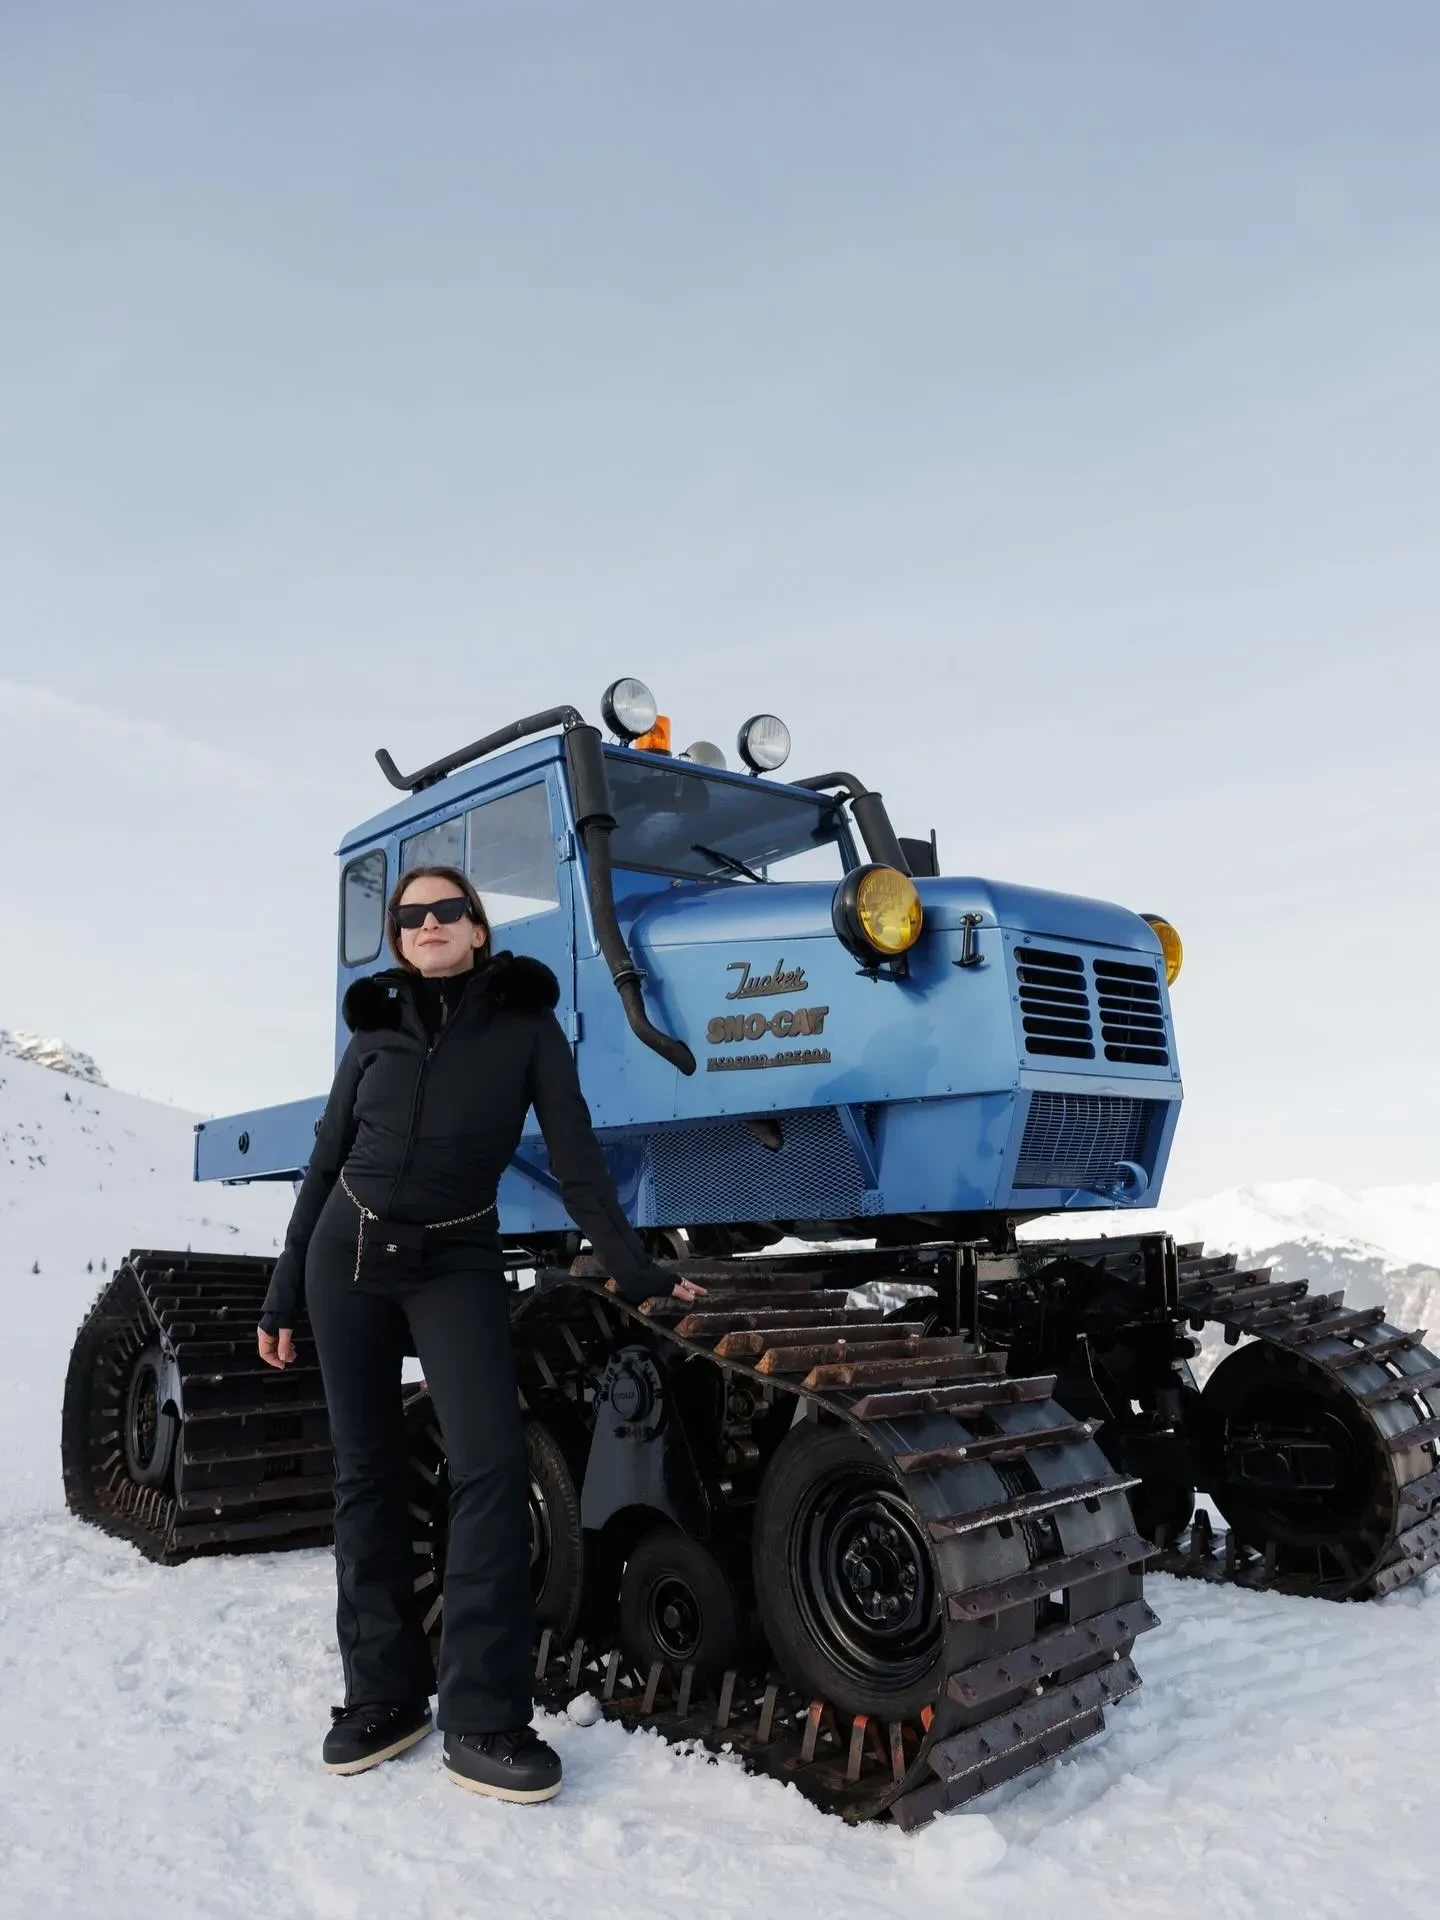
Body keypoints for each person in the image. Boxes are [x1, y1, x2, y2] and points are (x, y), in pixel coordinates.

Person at [256, 863, 704, 1803]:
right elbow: (325, 1162)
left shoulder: (526, 1025)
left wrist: (637, 1269)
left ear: (477, 928)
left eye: (446, 909)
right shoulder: (374, 1030)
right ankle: (381, 1696)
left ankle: (483, 1716)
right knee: (365, 1473)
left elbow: (577, 1159)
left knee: (491, 1468)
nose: (428, 923)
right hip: (347, 1254)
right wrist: (282, 1291)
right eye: (410, 915)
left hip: (456, 1259)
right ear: (398, 938)